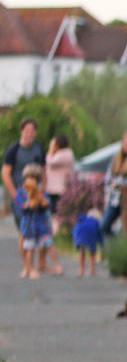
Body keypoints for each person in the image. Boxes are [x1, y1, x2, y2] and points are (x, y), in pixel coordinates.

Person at [3, 117, 46, 273]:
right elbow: (6, 173)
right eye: (27, 130)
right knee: (24, 229)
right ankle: (27, 266)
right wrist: (14, 194)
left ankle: (38, 264)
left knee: (39, 229)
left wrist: (43, 191)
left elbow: (44, 171)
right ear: (22, 131)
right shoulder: (13, 150)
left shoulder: (39, 149)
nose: (30, 134)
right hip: (20, 195)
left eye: (32, 131)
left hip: (37, 195)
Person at [17, 167, 53, 279]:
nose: (30, 180)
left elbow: (47, 206)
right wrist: (27, 204)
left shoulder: (41, 191)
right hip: (28, 225)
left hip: (40, 225)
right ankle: (29, 268)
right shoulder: (22, 191)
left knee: (44, 245)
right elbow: (20, 206)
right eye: (28, 177)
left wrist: (41, 200)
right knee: (29, 248)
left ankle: (40, 265)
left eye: (33, 178)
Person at [45, 133, 75, 232]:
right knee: (55, 214)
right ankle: (57, 233)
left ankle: (57, 234)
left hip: (59, 189)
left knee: (57, 214)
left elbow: (50, 162)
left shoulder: (64, 154)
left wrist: (50, 151)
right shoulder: (64, 153)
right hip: (55, 188)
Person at [73, 207, 104, 276]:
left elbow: (75, 228)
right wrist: (102, 244)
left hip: (79, 233)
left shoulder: (82, 219)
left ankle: (81, 270)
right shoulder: (96, 222)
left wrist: (75, 239)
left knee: (81, 251)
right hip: (90, 234)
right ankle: (92, 270)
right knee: (92, 251)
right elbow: (100, 235)